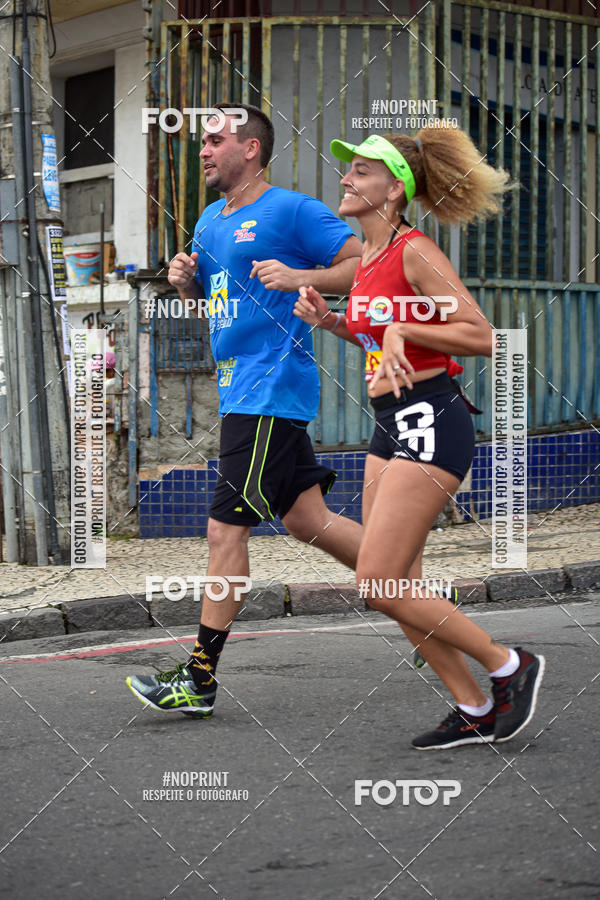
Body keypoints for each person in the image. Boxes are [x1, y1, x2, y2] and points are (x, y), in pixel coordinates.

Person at [293, 128, 545, 749]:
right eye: (348, 170)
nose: (346, 180)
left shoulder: (414, 250)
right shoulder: (371, 257)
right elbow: (383, 338)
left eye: (361, 172)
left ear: (394, 190)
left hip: (430, 419)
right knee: (399, 583)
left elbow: (484, 334)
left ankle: (511, 665)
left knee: (378, 581)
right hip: (392, 425)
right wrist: (332, 322)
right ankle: (474, 707)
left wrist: (406, 326)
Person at [126, 104, 363, 717]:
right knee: (310, 521)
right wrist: (186, 281)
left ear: (251, 149)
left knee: (223, 529)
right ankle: (421, 598)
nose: (202, 150)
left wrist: (299, 275)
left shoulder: (291, 209)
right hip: (241, 390)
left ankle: (199, 679)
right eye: (201, 141)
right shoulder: (209, 218)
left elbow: (363, 266)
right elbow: (218, 292)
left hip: (270, 388)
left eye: (214, 140)